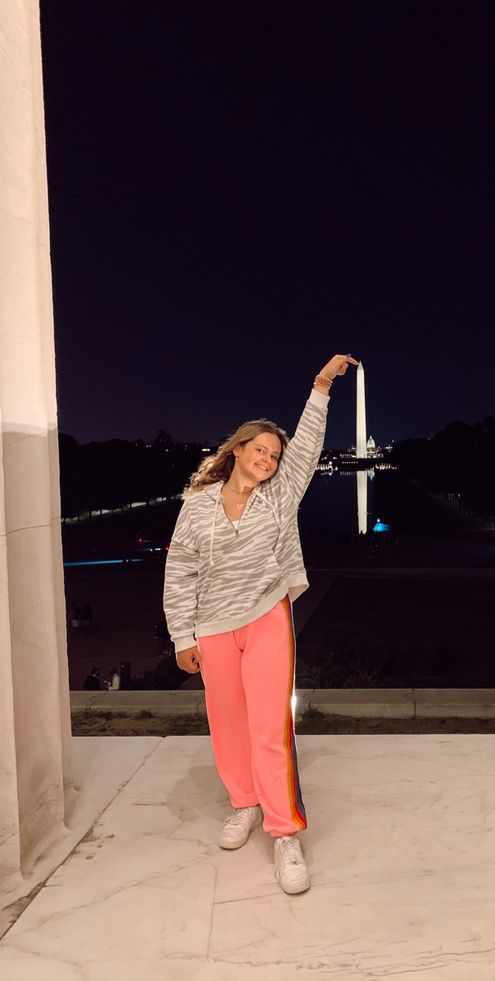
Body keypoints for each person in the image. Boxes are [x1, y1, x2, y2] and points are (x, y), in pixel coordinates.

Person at [163, 353, 358, 895]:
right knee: (227, 724)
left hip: (267, 614)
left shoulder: (281, 494)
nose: (269, 459)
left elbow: (309, 445)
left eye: (275, 454)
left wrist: (322, 385)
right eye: (261, 451)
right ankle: (243, 804)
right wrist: (183, 634)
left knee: (269, 728)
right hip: (212, 627)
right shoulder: (198, 503)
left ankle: (284, 830)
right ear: (238, 450)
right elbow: (180, 568)